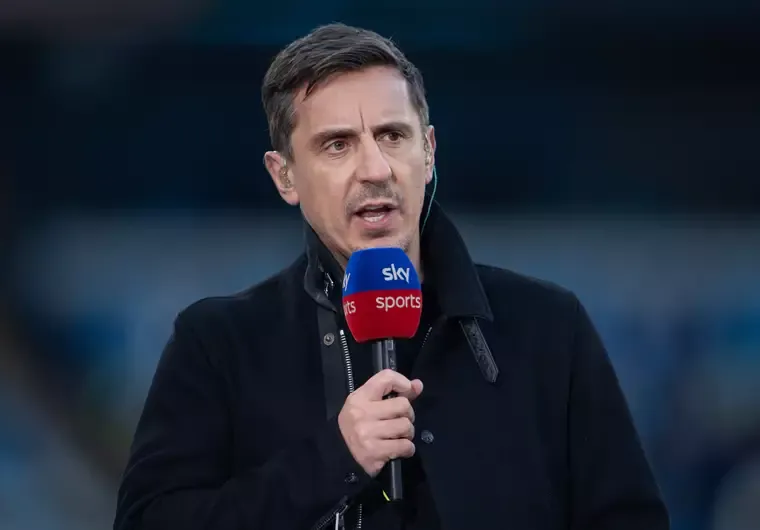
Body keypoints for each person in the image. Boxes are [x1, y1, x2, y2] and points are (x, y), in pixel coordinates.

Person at [113, 23, 670, 530]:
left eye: (393, 136)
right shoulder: (218, 344)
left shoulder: (548, 328)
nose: (375, 169)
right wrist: (333, 459)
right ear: (285, 176)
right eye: (338, 145)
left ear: (428, 152)